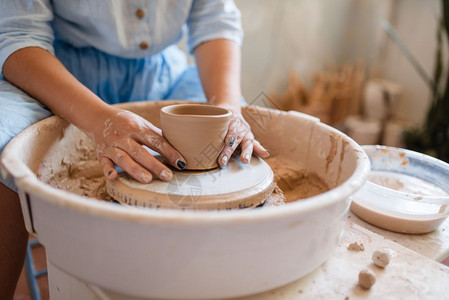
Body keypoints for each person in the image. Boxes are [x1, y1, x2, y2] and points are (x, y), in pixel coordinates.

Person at [0, 1, 269, 298]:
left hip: (159, 74)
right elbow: (17, 36)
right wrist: (99, 119)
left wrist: (227, 110)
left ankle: (192, 280)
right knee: (4, 141)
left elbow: (214, 20)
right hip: (58, 74)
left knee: (228, 143)